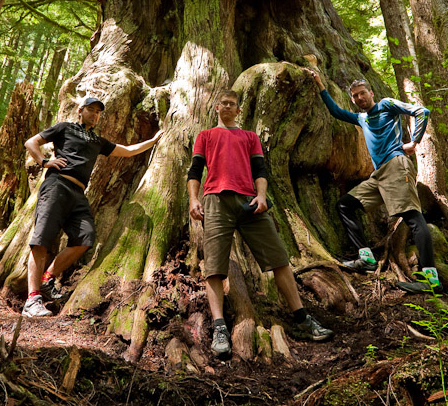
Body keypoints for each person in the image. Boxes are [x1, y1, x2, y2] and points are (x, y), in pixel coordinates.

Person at [187, 89, 333, 358]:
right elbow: (195, 170)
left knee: (279, 259)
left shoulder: (249, 137)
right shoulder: (205, 136)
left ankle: (302, 319)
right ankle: (220, 328)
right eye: (224, 104)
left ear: (238, 110)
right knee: (215, 268)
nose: (229, 107)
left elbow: (260, 171)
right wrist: (193, 200)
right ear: (217, 107)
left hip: (250, 203)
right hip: (215, 201)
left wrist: (262, 196)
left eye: (233, 104)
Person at [23, 96, 163, 317]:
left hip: (78, 193)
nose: (95, 114)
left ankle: (47, 279)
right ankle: (32, 300)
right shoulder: (64, 128)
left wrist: (154, 141)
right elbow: (31, 142)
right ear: (80, 110)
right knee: (41, 241)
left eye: (98, 112)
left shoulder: (97, 140)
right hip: (57, 185)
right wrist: (44, 162)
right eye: (91, 110)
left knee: (85, 237)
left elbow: (126, 151)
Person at [310, 70, 442, 295]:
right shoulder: (361, 118)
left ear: (371, 93)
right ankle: (367, 258)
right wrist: (319, 82)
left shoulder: (386, 105)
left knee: (412, 216)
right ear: (353, 99)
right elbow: (335, 111)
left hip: (396, 165)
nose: (360, 98)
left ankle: (430, 279)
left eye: (363, 93)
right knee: (345, 205)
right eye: (356, 96)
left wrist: (414, 142)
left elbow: (421, 111)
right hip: (379, 175)